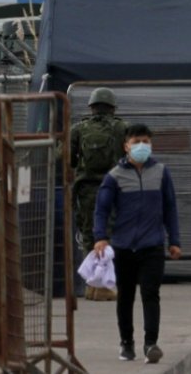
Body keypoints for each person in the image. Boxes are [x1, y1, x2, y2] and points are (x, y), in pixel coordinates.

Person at [93, 123, 182, 363]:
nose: (142, 146)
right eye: (136, 142)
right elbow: (101, 209)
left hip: (152, 246)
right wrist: (100, 237)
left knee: (151, 294)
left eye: (146, 142)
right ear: (126, 146)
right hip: (123, 247)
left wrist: (174, 241)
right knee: (126, 297)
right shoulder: (114, 176)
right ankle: (126, 343)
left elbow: (170, 208)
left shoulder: (161, 173)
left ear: (151, 144)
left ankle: (151, 343)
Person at [70, 87, 127, 301]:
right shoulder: (122, 128)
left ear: (91, 107)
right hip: (113, 188)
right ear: (112, 107)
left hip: (86, 189)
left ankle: (92, 287)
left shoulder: (78, 129)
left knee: (88, 236)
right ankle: (107, 286)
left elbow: (67, 158)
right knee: (110, 234)